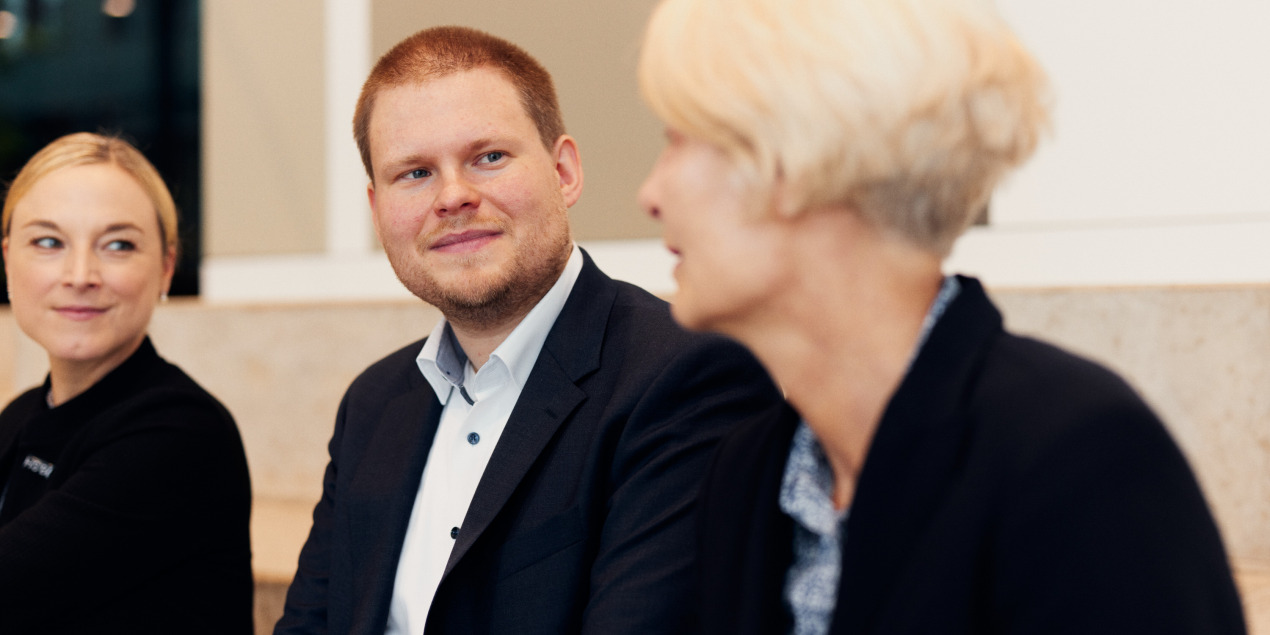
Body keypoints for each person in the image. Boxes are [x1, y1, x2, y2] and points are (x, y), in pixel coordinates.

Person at [636, 0, 1248, 633]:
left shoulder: (1078, 454)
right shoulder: (750, 474)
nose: (649, 195)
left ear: (788, 163)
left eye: (677, 141)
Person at [274, 25, 783, 635]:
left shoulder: (686, 379)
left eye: (488, 157)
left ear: (564, 171)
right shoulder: (373, 403)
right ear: (378, 208)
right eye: (414, 173)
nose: (453, 196)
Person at [0, 132, 253, 633]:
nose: (80, 274)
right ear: (8, 258)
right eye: (48, 242)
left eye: (118, 245)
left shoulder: (179, 434)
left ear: (165, 268)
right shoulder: (23, 414)